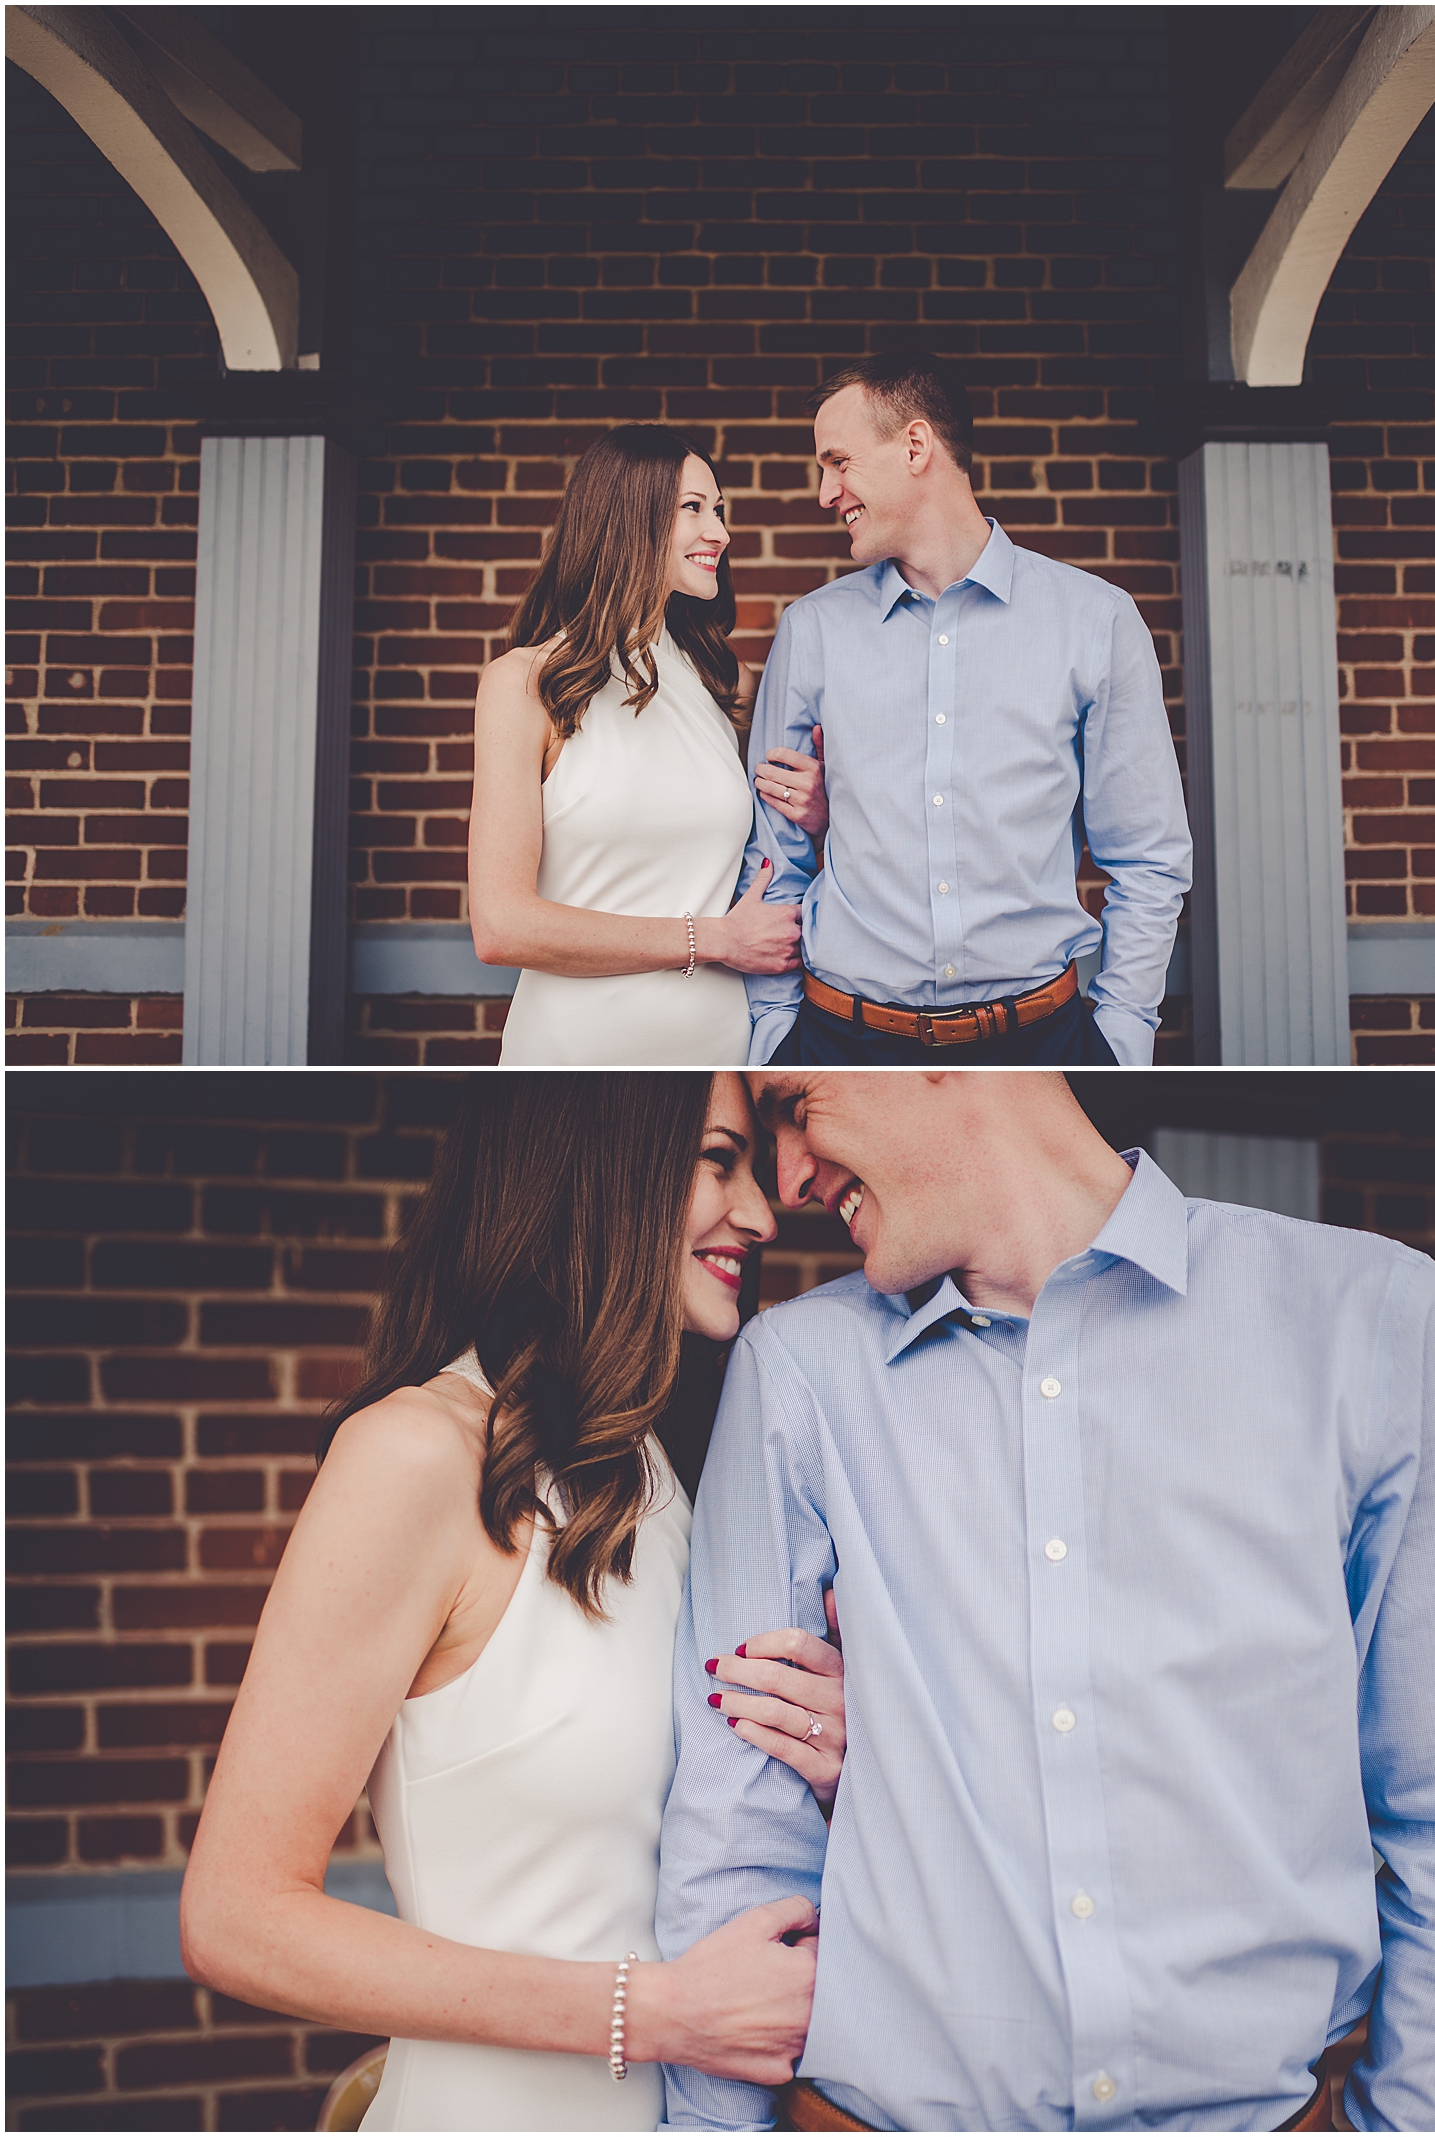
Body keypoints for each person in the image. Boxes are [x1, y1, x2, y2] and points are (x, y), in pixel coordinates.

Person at [656, 1071, 1435, 2132]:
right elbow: (732, 1848)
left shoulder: (1382, 1327)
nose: (789, 1182)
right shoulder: (799, 1372)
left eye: (792, 1109)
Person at [181, 1074, 846, 2131]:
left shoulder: (666, 1474)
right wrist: (655, 2013)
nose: (762, 1214)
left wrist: (834, 1756)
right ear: (598, 1161)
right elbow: (238, 1918)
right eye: (720, 1161)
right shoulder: (416, 1452)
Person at [738, 353, 1193, 1068]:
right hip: (841, 1042)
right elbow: (772, 855)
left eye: (838, 462)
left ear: (915, 446)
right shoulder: (812, 631)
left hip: (1042, 1045)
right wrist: (775, 1036)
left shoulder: (1094, 621)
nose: (826, 492)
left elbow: (1148, 856)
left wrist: (1123, 1033)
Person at [469, 428, 828, 1066]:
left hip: (717, 1053)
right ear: (626, 518)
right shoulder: (524, 685)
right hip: (576, 1053)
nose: (719, 531)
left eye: (719, 510)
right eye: (693, 508)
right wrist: (715, 940)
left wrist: (822, 815)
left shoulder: (726, 687)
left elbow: (780, 845)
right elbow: (502, 926)